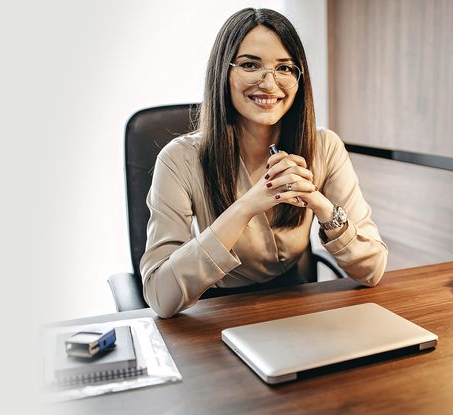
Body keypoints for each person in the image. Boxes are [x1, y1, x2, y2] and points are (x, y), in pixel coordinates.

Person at [140, 8, 388, 318]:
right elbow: (160, 297)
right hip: (219, 313)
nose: (269, 84)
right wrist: (245, 207)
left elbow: (373, 270)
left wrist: (321, 206)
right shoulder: (180, 158)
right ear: (223, 72)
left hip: (297, 309)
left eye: (284, 67)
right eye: (249, 65)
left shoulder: (325, 146)